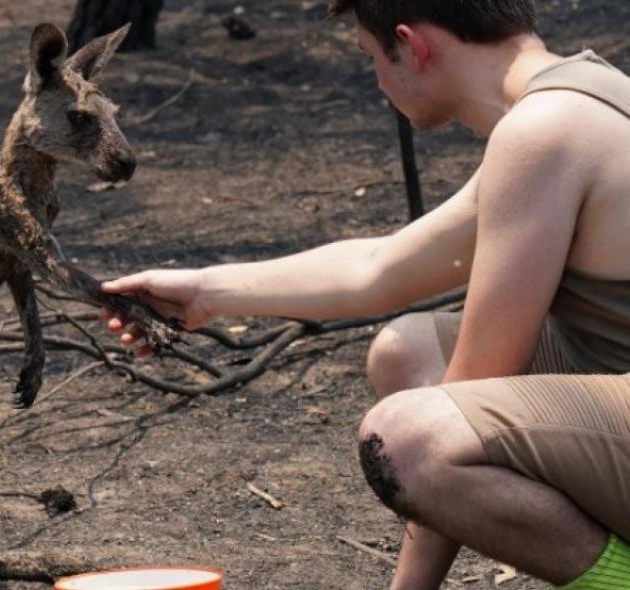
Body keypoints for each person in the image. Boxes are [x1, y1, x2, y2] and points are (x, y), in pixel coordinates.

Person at [99, 1, 630, 588]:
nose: (377, 79)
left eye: (371, 56)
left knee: (408, 438)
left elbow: (476, 380)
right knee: (408, 352)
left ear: (412, 44)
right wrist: (204, 293)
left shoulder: (542, 134)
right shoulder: (577, 95)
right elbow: (378, 268)